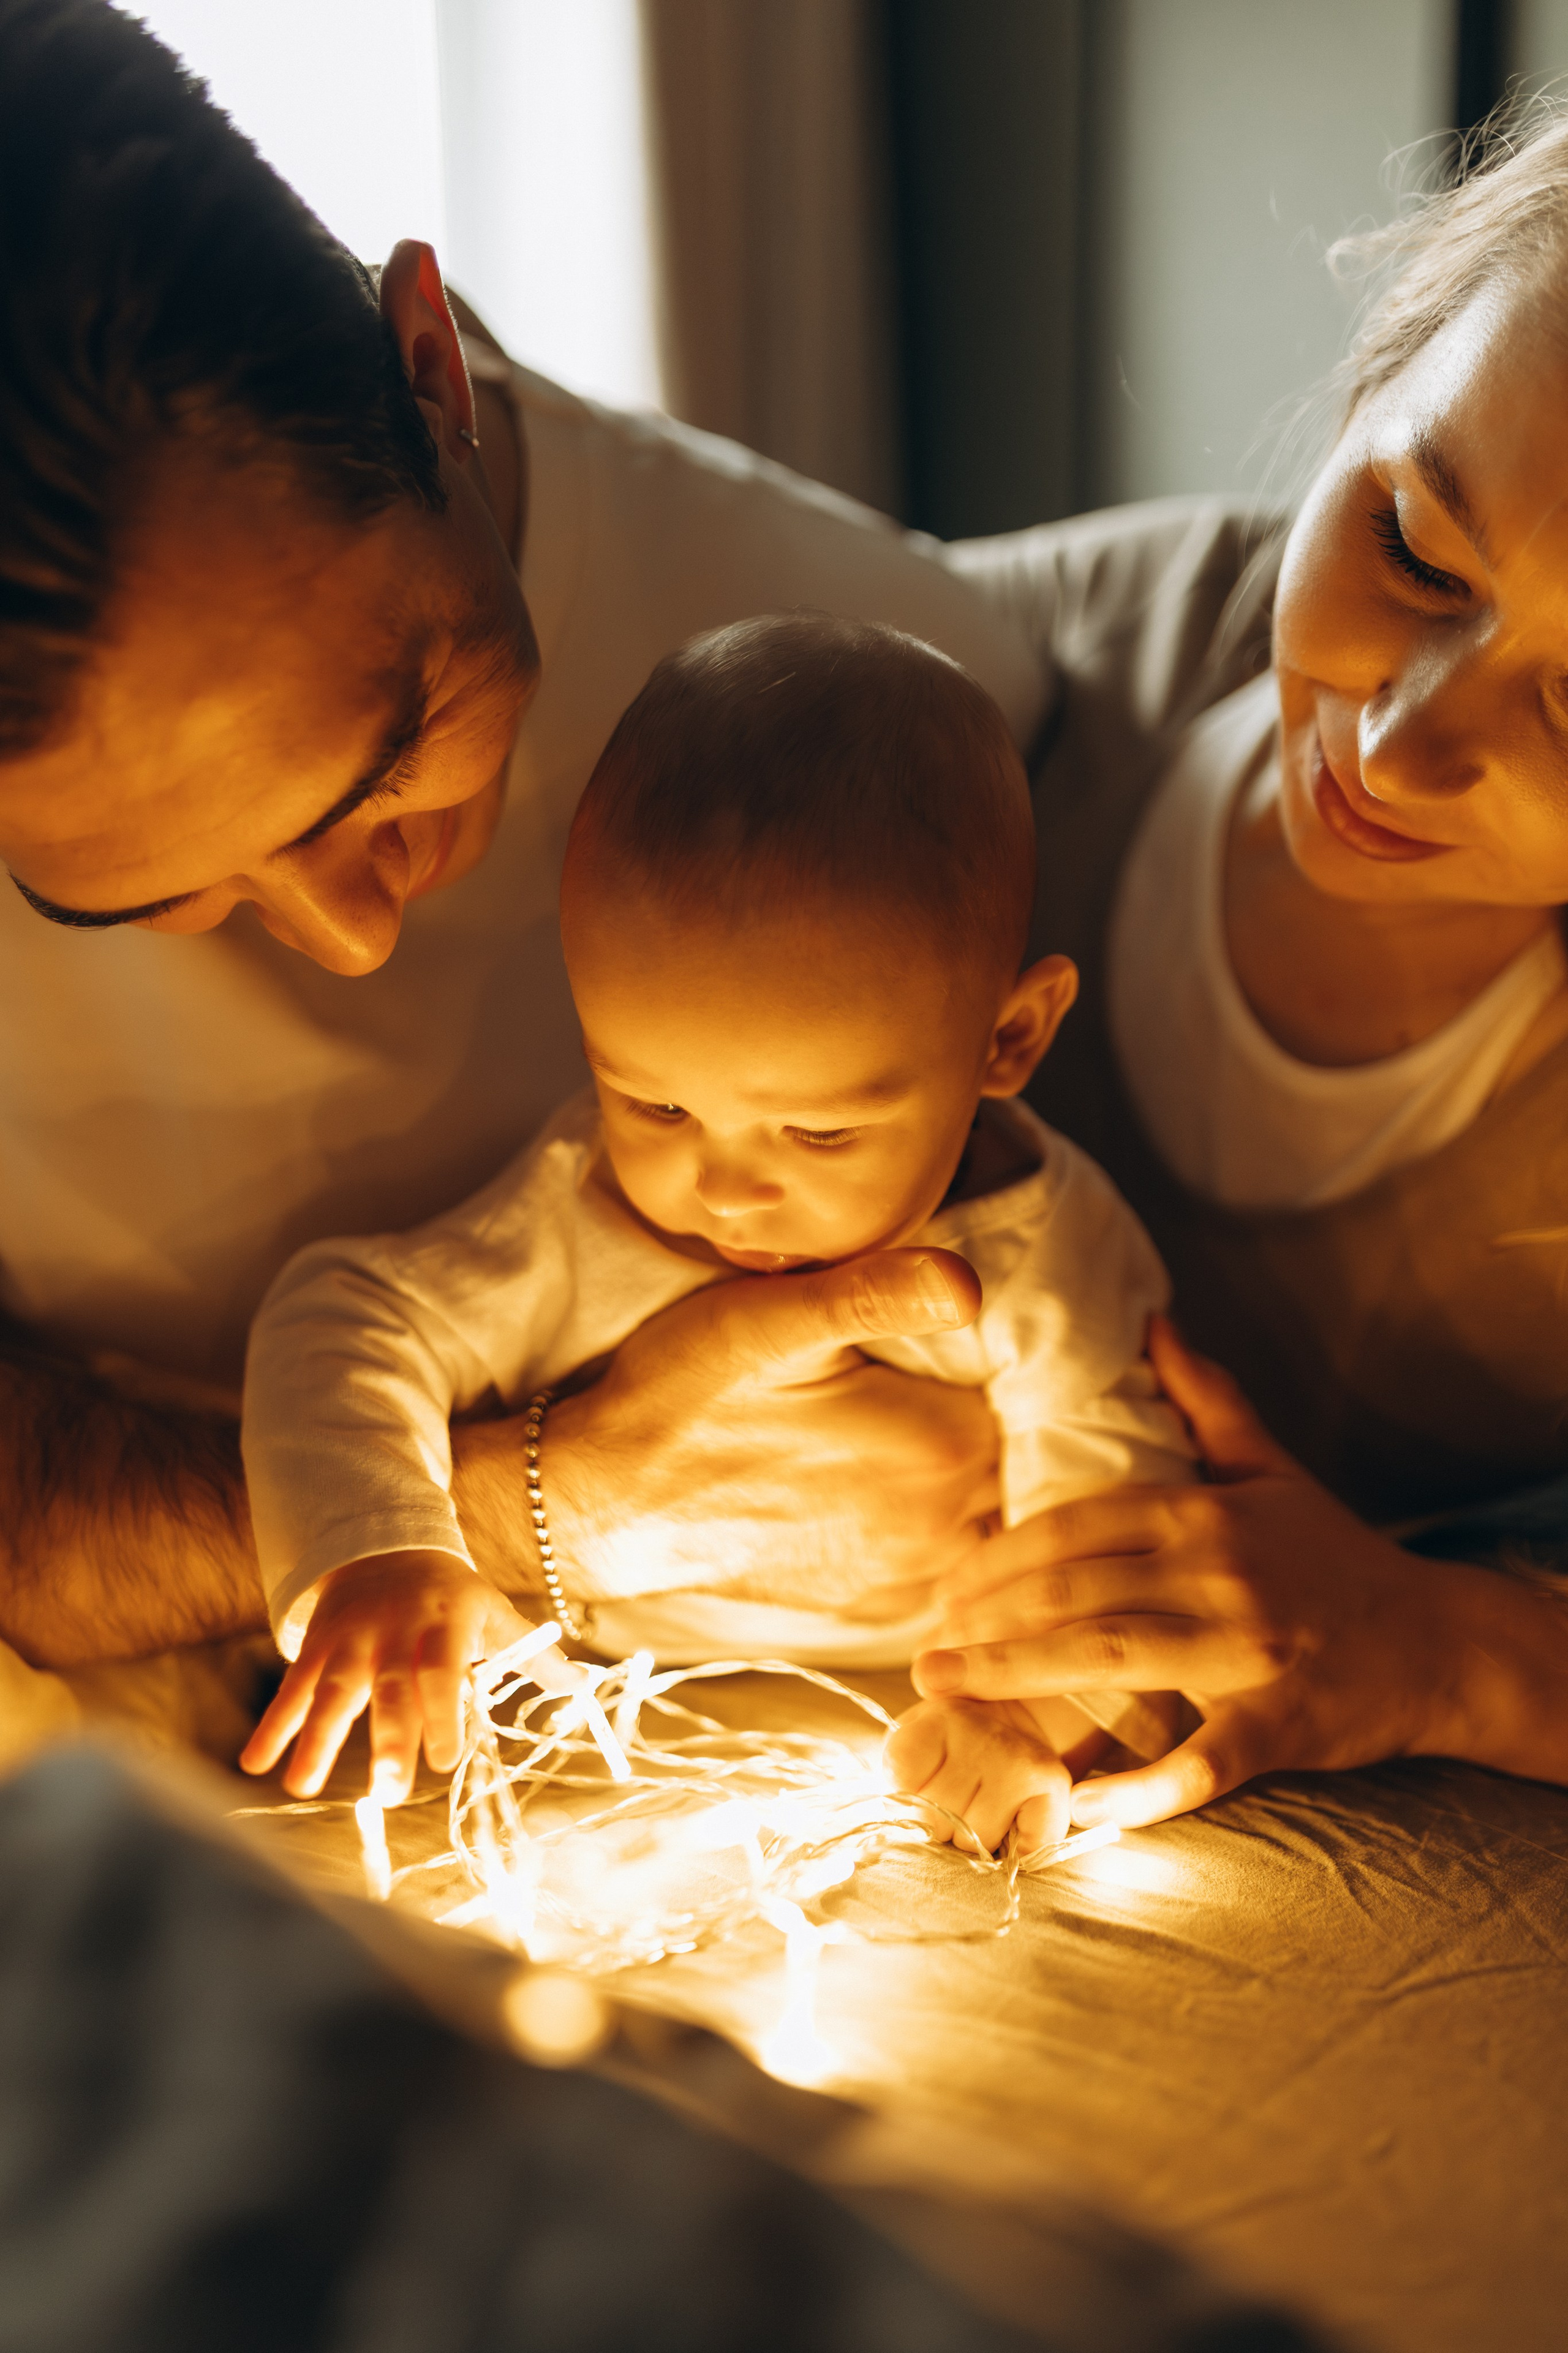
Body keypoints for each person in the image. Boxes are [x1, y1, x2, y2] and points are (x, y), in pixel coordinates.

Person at [0, 0, 1049, 1672]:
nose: (352, 939)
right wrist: (517, 1510)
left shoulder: (880, 670)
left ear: (429, 369)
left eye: (393, 758)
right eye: (152, 895)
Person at [238, 615, 1193, 1854]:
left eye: (816, 1135)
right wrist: (379, 1547)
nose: (724, 1190)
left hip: (907, 1702)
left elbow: (1109, 1505)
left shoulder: (1039, 1246)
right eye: (656, 1101)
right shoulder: (578, 1207)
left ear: (1006, 1038)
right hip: (592, 1705)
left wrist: (1034, 1713)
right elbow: (344, 1316)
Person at [915, 108, 1568, 1832]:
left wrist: (1446, 1650)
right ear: (1367, 392)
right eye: (1416, 548)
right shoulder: (1025, 685)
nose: (1402, 743)